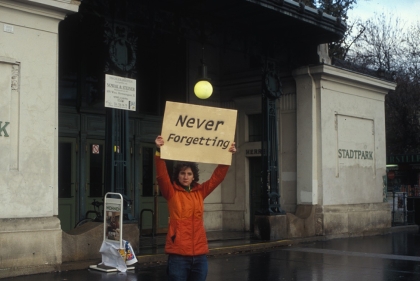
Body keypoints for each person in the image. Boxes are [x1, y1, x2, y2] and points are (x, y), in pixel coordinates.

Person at [154, 135, 236, 281]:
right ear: (178, 176)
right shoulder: (171, 192)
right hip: (178, 255)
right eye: (182, 173)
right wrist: (159, 152)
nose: (185, 177)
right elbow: (162, 176)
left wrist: (227, 155)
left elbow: (217, 178)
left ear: (194, 177)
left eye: (189, 174)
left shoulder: (200, 192)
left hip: (199, 255)